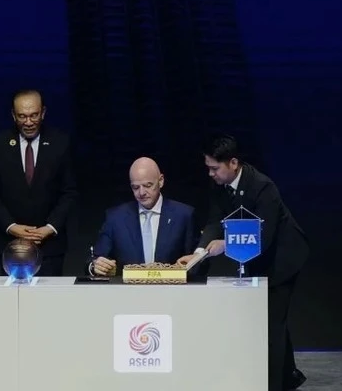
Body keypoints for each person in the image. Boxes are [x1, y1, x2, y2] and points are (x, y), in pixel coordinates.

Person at [178, 135, 309, 391]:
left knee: (271, 323)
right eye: (208, 168)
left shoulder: (263, 187)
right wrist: (199, 253)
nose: (210, 174)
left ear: (233, 163)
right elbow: (215, 221)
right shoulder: (219, 184)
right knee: (272, 319)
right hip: (255, 258)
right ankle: (289, 375)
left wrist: (225, 245)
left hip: (282, 258)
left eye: (215, 168)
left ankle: (273, 384)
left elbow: (263, 236)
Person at [0, 89, 78, 276]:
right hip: (10, 244)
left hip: (50, 245)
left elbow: (70, 191)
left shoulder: (61, 142)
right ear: (13, 115)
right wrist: (11, 227)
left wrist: (49, 228)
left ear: (43, 113)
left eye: (34, 115)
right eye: (22, 116)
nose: (28, 122)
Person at [88, 157, 200, 277]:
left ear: (161, 181)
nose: (141, 193)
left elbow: (199, 264)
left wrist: (192, 265)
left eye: (147, 185)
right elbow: (95, 259)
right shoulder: (115, 218)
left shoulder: (184, 215)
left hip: (172, 287)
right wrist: (95, 266)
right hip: (128, 287)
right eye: (135, 187)